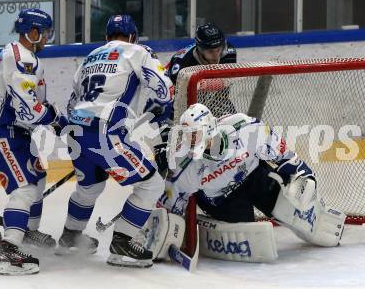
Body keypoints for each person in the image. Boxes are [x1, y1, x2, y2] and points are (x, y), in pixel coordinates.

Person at [57, 14, 173, 268]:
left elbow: (72, 101)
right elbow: (163, 87)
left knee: (89, 188)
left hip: (76, 130)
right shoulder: (138, 51)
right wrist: (164, 106)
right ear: (133, 36)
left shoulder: (89, 58)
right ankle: (122, 244)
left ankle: (70, 237)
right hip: (106, 133)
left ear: (107, 37)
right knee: (151, 184)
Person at [158, 103, 346, 251]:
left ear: (210, 129)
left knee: (290, 209)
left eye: (195, 135)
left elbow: (283, 156)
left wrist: (304, 174)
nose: (189, 141)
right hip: (221, 199)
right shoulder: (185, 164)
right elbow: (172, 202)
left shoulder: (244, 128)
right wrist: (170, 231)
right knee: (250, 236)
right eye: (187, 135)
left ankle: (318, 216)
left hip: (254, 176)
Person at [0, 8, 68, 275]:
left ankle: (26, 232)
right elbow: (28, 109)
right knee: (25, 190)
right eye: (46, 32)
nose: (47, 38)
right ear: (33, 32)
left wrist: (53, 116)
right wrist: (53, 118)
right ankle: (8, 251)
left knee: (37, 178)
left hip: (15, 131)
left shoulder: (23, 55)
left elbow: (31, 104)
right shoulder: (21, 58)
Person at [166, 23, 237, 116]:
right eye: (211, 51)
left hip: (215, 99)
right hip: (182, 100)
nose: (216, 56)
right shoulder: (182, 63)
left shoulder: (228, 52)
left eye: (218, 49)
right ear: (200, 49)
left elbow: (225, 87)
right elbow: (177, 96)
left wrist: (205, 85)